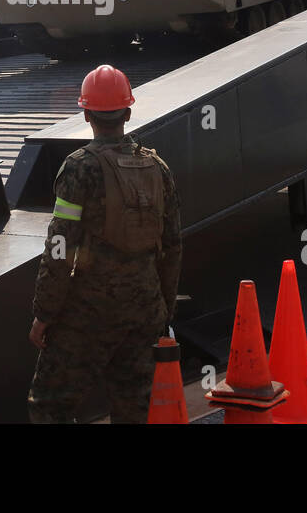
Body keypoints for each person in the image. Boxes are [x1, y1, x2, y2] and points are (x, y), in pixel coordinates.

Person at [27, 64, 182, 423]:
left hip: (88, 314)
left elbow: (59, 248)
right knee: (134, 407)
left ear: (86, 113)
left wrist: (44, 314)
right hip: (145, 309)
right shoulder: (158, 168)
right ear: (127, 112)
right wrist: (163, 310)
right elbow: (172, 245)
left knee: (50, 406)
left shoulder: (79, 168)